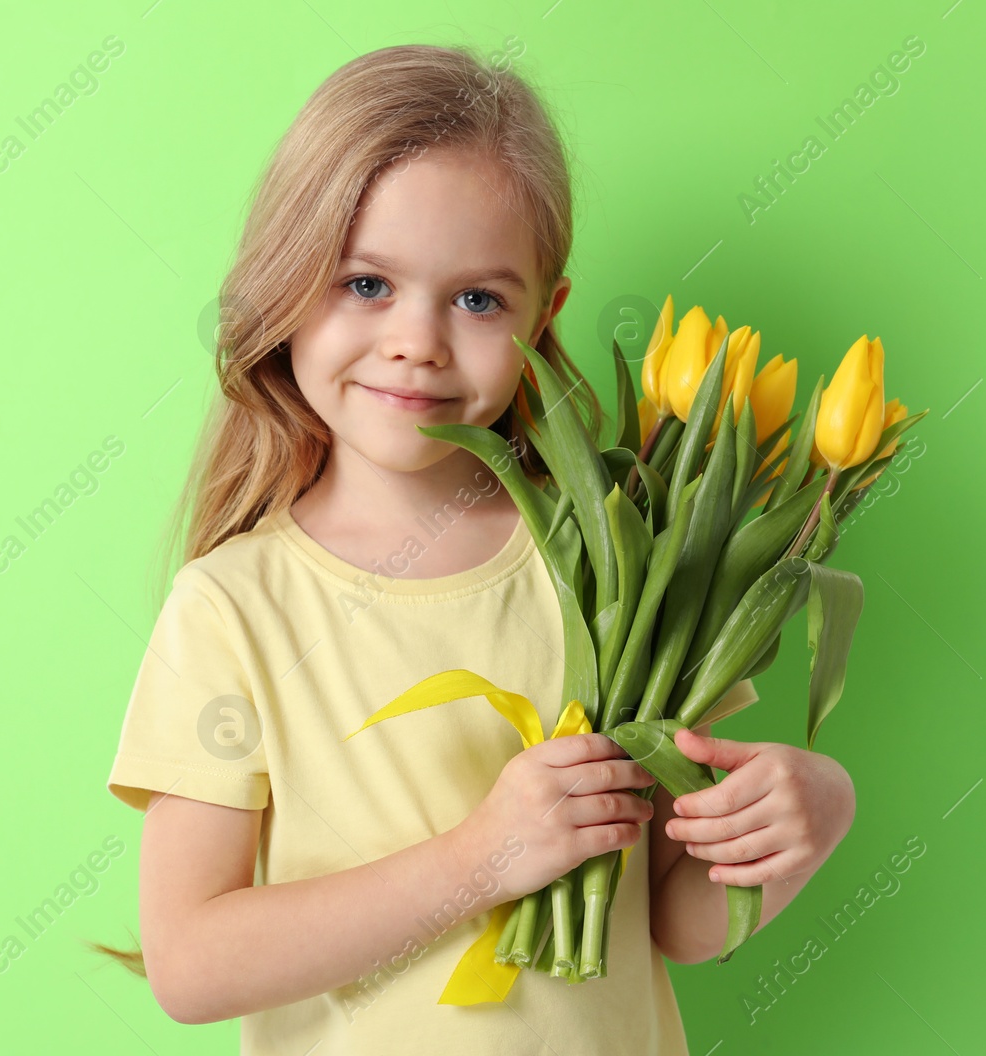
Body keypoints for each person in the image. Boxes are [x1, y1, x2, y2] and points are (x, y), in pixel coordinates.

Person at [98, 42, 855, 1054]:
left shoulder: (623, 559)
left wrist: (809, 814)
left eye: (477, 300)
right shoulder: (234, 605)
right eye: (366, 283)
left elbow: (677, 923)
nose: (417, 339)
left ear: (545, 314)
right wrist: (480, 860)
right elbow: (193, 966)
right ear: (285, 284)